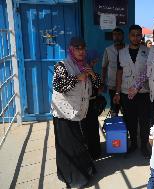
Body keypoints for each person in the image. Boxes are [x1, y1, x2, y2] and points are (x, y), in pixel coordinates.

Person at [51, 37, 100, 188]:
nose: (81, 51)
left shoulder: (84, 65)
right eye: (78, 48)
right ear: (71, 49)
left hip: (79, 112)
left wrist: (93, 75)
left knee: (79, 144)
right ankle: (73, 178)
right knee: (68, 147)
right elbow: (58, 85)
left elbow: (98, 85)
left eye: (83, 48)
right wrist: (77, 78)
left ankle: (84, 172)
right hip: (64, 113)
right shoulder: (62, 65)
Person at [113, 25, 151, 157]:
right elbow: (119, 73)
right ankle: (133, 144)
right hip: (126, 92)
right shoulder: (121, 53)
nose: (136, 37)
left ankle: (144, 145)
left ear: (141, 36)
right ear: (129, 36)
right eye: (133, 35)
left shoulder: (148, 51)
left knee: (144, 120)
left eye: (138, 35)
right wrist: (117, 92)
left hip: (144, 92)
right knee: (130, 120)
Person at [102, 28, 125, 115]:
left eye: (119, 35)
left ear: (123, 36)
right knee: (114, 108)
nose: (117, 37)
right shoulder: (108, 50)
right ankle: (114, 127)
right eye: (114, 35)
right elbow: (104, 67)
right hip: (112, 84)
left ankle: (126, 127)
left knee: (125, 108)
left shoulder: (128, 48)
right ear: (112, 37)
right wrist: (103, 82)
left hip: (126, 84)